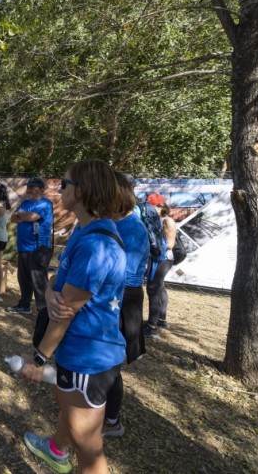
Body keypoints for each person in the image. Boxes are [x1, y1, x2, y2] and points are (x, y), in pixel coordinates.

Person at [18, 160, 128, 474]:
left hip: (88, 357)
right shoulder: (84, 228)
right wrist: (51, 292)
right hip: (79, 354)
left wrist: (38, 360)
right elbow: (58, 278)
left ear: (82, 191)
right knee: (67, 404)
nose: (59, 189)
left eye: (64, 184)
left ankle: (62, 451)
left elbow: (64, 315)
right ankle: (55, 450)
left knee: (88, 449)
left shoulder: (96, 244)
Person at [102, 172, 150, 437]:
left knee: (111, 362)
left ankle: (111, 421)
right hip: (109, 295)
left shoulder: (133, 228)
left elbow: (124, 272)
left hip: (123, 297)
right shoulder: (108, 221)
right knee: (102, 357)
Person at [7, 177, 54, 345]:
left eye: (36, 188)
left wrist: (23, 216)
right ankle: (24, 304)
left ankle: (44, 311)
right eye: (30, 188)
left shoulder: (46, 204)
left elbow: (33, 217)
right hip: (24, 247)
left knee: (39, 282)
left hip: (39, 248)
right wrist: (21, 215)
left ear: (42, 190)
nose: (32, 191)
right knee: (24, 278)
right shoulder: (25, 203)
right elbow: (13, 218)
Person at [144, 193, 176, 338]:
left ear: (161, 206)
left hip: (163, 259)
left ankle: (152, 327)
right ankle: (161, 320)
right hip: (157, 258)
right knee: (160, 287)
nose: (150, 209)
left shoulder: (167, 221)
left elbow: (170, 244)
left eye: (153, 206)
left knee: (153, 288)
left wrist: (156, 246)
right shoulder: (154, 220)